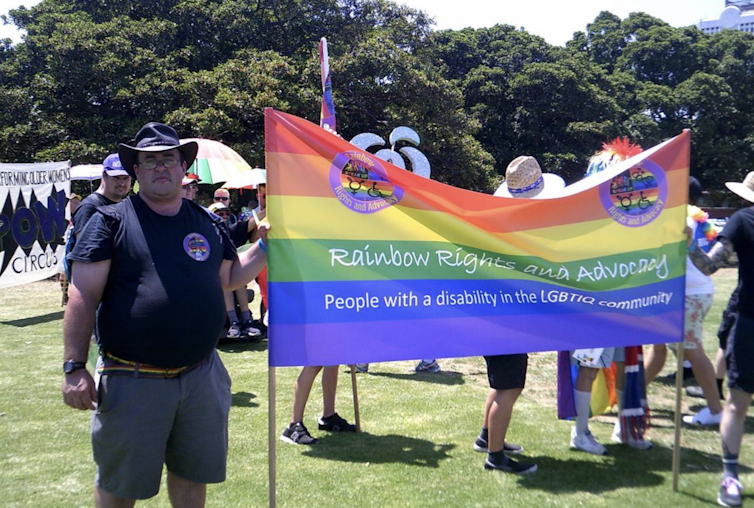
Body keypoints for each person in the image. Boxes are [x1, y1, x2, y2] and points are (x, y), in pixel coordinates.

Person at [62, 122, 268, 507]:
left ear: (182, 166)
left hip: (202, 376)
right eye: (149, 161)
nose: (160, 167)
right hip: (132, 378)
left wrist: (266, 247)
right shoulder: (110, 221)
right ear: (136, 171)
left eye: (168, 159)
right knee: (121, 485)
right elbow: (82, 295)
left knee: (193, 477)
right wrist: (74, 366)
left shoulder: (205, 221)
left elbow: (229, 277)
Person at [474, 156, 563, 474]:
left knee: (504, 385)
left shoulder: (502, 227)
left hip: (492, 315)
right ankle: (495, 457)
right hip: (504, 319)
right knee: (508, 387)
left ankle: (487, 438)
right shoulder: (520, 234)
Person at [686, 171, 754, 508]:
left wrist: (687, 244)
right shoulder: (741, 220)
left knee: (737, 404)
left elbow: (711, 264)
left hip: (750, 323)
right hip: (748, 321)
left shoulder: (742, 219)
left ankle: (730, 478)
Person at [644, 177, 723, 426]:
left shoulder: (680, 217)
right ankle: (631, 397)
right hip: (686, 291)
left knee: (692, 351)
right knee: (658, 348)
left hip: (688, 293)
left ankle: (714, 408)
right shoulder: (697, 217)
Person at [208, 201, 262, 339]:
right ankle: (234, 321)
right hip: (214, 281)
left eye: (227, 213)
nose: (224, 216)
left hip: (234, 278)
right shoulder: (206, 235)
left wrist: (270, 206)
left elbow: (253, 221)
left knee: (237, 283)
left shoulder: (232, 231)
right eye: (220, 213)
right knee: (225, 283)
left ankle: (246, 319)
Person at [59, 193, 82, 306]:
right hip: (62, 246)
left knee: (70, 273)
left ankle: (70, 296)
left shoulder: (80, 216)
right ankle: (64, 295)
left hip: (72, 248)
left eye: (77, 202)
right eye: (73, 202)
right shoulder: (63, 217)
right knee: (63, 273)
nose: (76, 204)